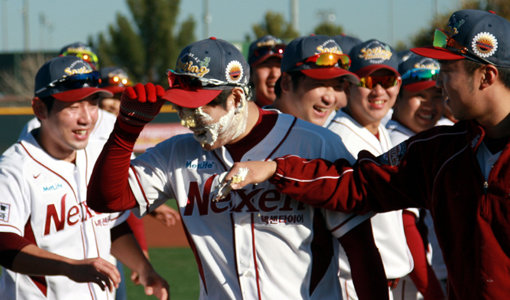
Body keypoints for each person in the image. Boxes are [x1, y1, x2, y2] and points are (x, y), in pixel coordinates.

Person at [222, 9, 510, 300]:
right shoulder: (440, 151)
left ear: (486, 76)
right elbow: (359, 184)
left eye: (448, 72)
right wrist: (276, 169)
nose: (439, 83)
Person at [87, 37, 388, 299]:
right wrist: (125, 131)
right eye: (182, 107)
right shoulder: (177, 153)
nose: (188, 119)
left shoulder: (315, 144)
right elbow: (106, 201)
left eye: (199, 107)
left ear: (236, 97)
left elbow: (361, 249)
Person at [0, 56, 169, 300]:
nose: (86, 118)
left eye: (92, 103)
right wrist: (68, 267)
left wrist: (144, 268)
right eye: (72, 106)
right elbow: (4, 243)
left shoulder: (97, 155)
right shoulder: (14, 168)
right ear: (39, 109)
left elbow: (111, 225)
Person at [326, 39, 415, 300]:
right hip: (353, 283)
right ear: (347, 85)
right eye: (367, 81)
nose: (378, 91)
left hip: (384, 282)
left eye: (386, 81)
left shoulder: (378, 131)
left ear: (398, 85)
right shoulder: (339, 137)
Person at [386, 52, 446, 299]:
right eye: (419, 95)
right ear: (398, 98)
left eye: (437, 96)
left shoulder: (421, 138)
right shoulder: (398, 143)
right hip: (410, 281)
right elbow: (406, 227)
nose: (429, 105)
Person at [271, 34, 359, 127]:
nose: (330, 99)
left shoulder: (330, 133)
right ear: (286, 83)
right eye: (320, 84)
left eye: (337, 87)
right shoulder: (258, 131)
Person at [247, 35, 285, 107]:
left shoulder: (302, 115)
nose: (274, 74)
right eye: (266, 65)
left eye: (279, 65)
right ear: (250, 73)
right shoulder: (239, 115)